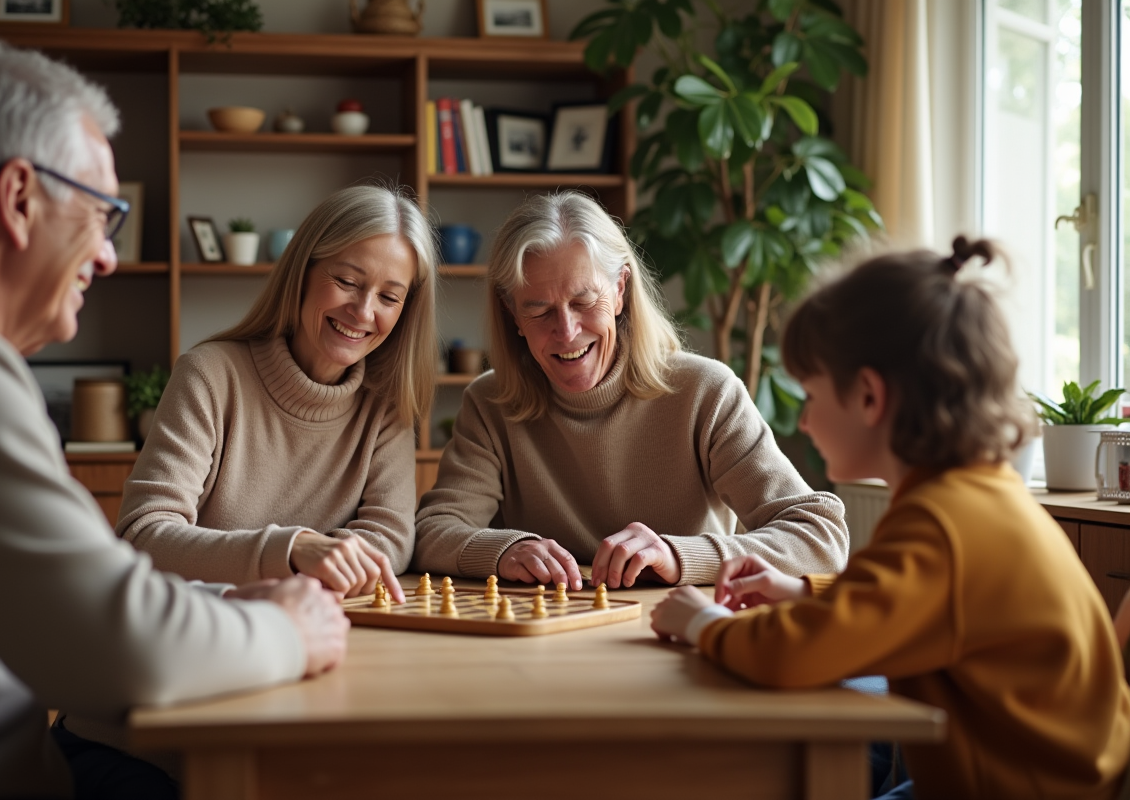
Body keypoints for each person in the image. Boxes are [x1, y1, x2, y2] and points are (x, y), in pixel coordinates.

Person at [0, 42, 348, 799]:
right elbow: (118, 647)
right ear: (19, 197)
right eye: (101, 215)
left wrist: (224, 602)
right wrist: (290, 630)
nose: (110, 257)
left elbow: (84, 593)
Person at [650, 238, 1130, 799]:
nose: (802, 422)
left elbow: (795, 655)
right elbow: (912, 603)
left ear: (870, 397)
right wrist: (805, 592)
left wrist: (703, 623)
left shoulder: (943, 524)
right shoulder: (975, 493)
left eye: (810, 396)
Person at [414, 191, 848, 590]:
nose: (566, 332)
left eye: (584, 302)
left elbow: (820, 538)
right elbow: (433, 532)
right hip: (546, 639)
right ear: (512, 315)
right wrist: (505, 550)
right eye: (539, 309)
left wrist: (680, 555)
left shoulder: (706, 392)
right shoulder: (490, 403)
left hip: (680, 632)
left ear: (620, 290)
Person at [115, 185, 437, 602]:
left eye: (389, 297)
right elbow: (143, 534)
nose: (363, 311)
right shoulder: (210, 375)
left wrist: (322, 561)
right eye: (346, 281)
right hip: (207, 626)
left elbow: (390, 537)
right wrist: (292, 550)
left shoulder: (387, 405)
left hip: (329, 625)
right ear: (301, 273)